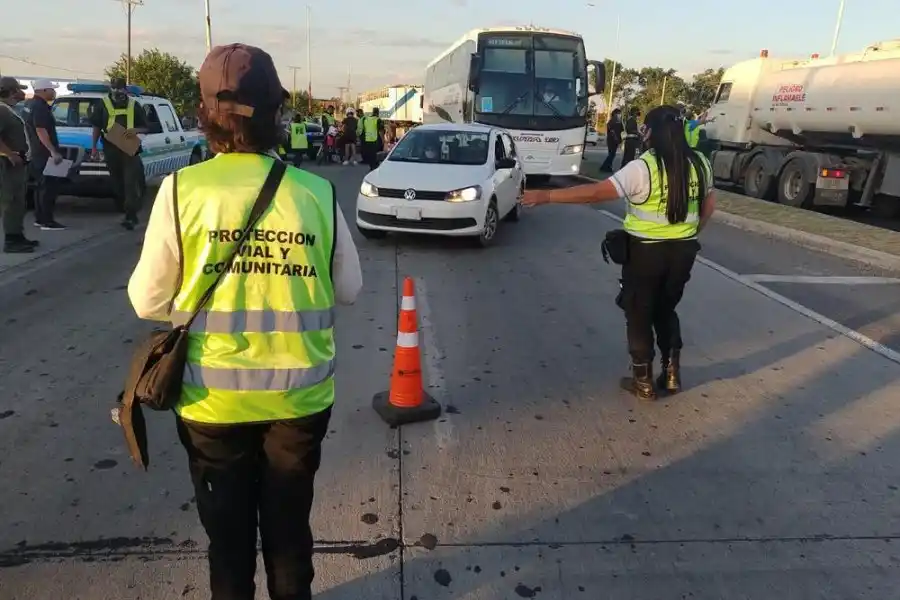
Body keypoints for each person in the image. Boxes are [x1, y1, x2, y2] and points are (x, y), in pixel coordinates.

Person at [126, 43, 363, 600]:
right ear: (277, 112)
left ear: (203, 113)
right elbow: (349, 290)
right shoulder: (316, 192)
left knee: (228, 542)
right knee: (289, 535)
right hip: (299, 400)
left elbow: (146, 300)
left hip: (212, 405)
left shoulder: (181, 191)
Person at [520, 105, 716, 401]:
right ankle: (671, 374)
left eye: (645, 129)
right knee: (666, 309)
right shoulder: (701, 163)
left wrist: (546, 195)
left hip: (645, 254)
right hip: (684, 252)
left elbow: (596, 193)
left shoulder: (643, 167)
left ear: (651, 132)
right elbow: (709, 205)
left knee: (639, 312)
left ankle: (643, 381)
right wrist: (690, 233)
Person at [90, 76, 149, 230]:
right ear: (110, 88)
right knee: (117, 183)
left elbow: (146, 127)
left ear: (125, 89)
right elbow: (96, 127)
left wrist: (134, 130)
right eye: (114, 88)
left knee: (130, 182)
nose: (117, 91)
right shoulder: (103, 104)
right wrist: (94, 148)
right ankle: (126, 208)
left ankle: (131, 216)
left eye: (120, 88)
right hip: (110, 147)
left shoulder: (134, 105)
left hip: (129, 147)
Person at [0, 76, 39, 253]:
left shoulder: (9, 109)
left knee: (18, 201)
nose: (22, 92)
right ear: (11, 91)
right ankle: (12, 239)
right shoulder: (2, 110)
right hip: (7, 164)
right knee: (11, 201)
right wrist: (9, 153)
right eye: (18, 89)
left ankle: (17, 235)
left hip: (17, 163)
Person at [23, 79, 66, 230]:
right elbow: (40, 130)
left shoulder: (29, 104)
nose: (54, 92)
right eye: (52, 89)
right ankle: (47, 221)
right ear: (44, 90)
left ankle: (40, 218)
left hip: (35, 152)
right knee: (49, 187)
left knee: (40, 187)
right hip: (44, 153)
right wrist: (53, 151)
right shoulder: (40, 107)